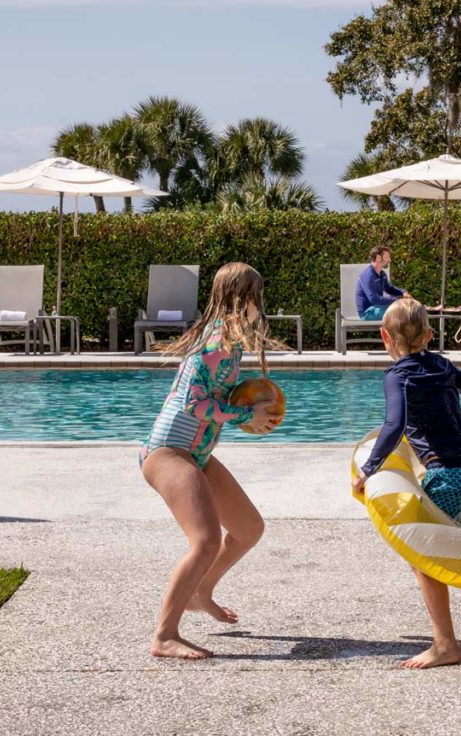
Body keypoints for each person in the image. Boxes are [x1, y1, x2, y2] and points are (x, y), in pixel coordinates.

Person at [140, 262, 282, 660]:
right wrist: (244, 415)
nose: (261, 306)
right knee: (203, 541)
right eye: (258, 297)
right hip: (169, 451)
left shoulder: (230, 343)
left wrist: (247, 400)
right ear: (246, 298)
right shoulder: (215, 343)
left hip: (197, 455)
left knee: (248, 528)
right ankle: (164, 635)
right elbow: (195, 403)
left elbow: (218, 395)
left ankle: (201, 592)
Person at [353, 298, 461, 669]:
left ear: (385, 336)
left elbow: (393, 425)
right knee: (448, 539)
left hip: (447, 474)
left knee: (424, 559)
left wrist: (368, 469)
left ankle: (446, 645)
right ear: (430, 335)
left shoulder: (397, 375)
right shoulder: (443, 364)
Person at [355, 245, 411, 320]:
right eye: (387, 257)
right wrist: (397, 300)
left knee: (404, 310)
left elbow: (389, 288)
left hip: (378, 308)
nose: (390, 260)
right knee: (400, 311)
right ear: (378, 258)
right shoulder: (367, 275)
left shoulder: (382, 274)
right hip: (367, 313)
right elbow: (374, 299)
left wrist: (402, 292)